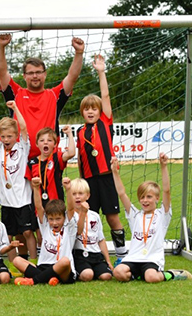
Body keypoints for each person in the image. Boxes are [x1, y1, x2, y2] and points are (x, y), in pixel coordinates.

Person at [0, 33, 85, 158]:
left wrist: (79, 53)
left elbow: (72, 77)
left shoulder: (54, 95)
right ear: (24, 76)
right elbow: (1, 72)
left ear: (45, 74)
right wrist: (0, 47)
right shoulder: (16, 94)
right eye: (31, 73)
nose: (35, 76)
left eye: (38, 72)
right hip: (19, 159)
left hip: (48, 160)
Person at [77, 54, 127, 264]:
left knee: (112, 217)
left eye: (94, 109)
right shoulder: (80, 132)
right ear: (82, 112)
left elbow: (105, 96)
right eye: (86, 109)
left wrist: (101, 72)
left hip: (106, 179)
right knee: (89, 218)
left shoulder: (105, 123)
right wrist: (81, 181)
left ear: (100, 111)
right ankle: (91, 255)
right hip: (89, 182)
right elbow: (80, 159)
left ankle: (122, 255)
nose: (90, 111)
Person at [111, 154, 192, 282]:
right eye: (142, 197)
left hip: (152, 259)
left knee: (151, 277)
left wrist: (163, 166)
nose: (145, 200)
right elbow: (121, 193)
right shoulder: (135, 215)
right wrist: (115, 172)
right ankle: (137, 275)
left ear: (157, 198)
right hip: (133, 258)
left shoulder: (162, 215)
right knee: (118, 272)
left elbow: (166, 191)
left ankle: (171, 274)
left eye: (149, 197)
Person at [0, 97, 37, 261]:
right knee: (8, 234)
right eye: (3, 136)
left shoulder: (22, 147)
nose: (6, 140)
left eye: (10, 136)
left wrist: (15, 108)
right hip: (6, 200)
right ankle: (15, 264)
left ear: (16, 135)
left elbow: (24, 127)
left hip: (23, 198)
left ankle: (33, 262)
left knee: (27, 232)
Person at [12, 177, 77, 285]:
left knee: (65, 261)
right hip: (44, 266)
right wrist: (36, 188)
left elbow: (70, 209)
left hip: (62, 269)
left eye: (58, 219)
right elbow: (38, 206)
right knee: (16, 260)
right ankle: (49, 279)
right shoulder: (45, 226)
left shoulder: (68, 227)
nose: (54, 223)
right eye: (51, 219)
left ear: (64, 218)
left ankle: (34, 280)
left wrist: (68, 189)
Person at [69, 178, 113, 281]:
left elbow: (100, 240)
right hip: (80, 254)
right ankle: (79, 272)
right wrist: (83, 213)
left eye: (81, 193)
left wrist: (108, 261)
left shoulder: (95, 216)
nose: (77, 197)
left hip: (96, 255)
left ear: (88, 195)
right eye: (74, 194)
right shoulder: (70, 216)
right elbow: (78, 232)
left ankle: (97, 269)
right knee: (87, 275)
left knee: (106, 276)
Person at [26, 127, 75, 207]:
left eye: (49, 140)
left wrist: (69, 133)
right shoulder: (31, 163)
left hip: (57, 203)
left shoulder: (57, 157)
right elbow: (31, 187)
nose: (45, 143)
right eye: (42, 140)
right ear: (37, 144)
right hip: (39, 206)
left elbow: (71, 153)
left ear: (55, 144)